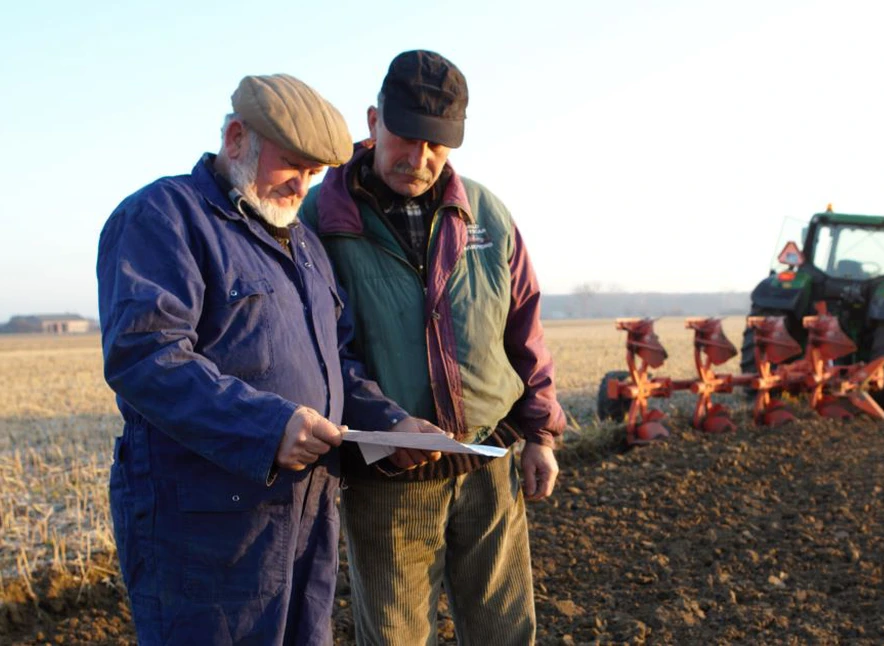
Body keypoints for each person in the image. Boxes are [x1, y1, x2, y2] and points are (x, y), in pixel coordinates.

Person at [97, 74, 424, 645]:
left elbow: (337, 359)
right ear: (235, 137)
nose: (302, 185)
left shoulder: (305, 246)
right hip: (203, 530)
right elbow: (146, 356)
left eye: (315, 173)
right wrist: (268, 426)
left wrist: (392, 425)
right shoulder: (163, 218)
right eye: (290, 163)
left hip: (305, 516)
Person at [300, 50, 567, 645]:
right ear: (373, 122)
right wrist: (388, 422)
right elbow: (322, 352)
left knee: (503, 633)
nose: (419, 159)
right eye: (406, 138)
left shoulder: (486, 214)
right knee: (394, 637)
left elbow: (523, 327)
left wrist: (540, 435)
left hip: (488, 469)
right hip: (389, 480)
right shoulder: (323, 219)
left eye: (438, 146)